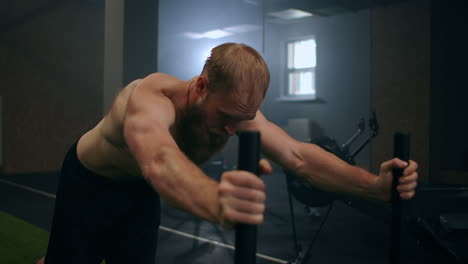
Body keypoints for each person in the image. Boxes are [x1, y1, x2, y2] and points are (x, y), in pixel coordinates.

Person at [39, 43, 418, 264]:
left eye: (245, 119)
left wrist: (374, 185)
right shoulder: (152, 98)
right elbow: (158, 159)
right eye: (226, 116)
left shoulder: (234, 113)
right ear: (202, 85)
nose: (233, 129)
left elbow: (298, 155)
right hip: (89, 183)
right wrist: (216, 200)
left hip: (139, 193)